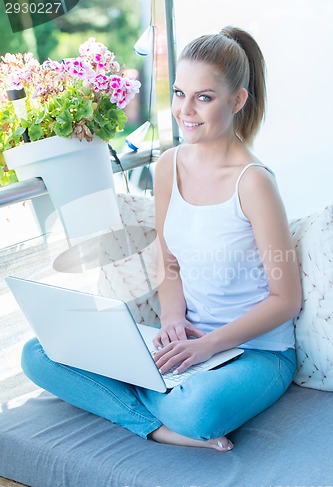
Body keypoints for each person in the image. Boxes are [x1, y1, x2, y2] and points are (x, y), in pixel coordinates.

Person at [21, 27, 302, 452]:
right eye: (179, 93)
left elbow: (286, 299)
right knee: (40, 352)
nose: (185, 110)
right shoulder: (170, 165)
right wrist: (172, 320)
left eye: (204, 97)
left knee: (198, 412)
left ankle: (165, 412)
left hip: (255, 352)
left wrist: (207, 346)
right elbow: (168, 262)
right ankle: (160, 427)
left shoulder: (254, 183)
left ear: (238, 100)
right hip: (185, 338)